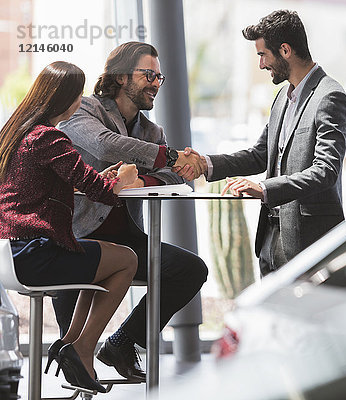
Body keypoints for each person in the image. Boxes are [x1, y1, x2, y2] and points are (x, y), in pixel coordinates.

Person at [54, 42, 209, 381]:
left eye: (159, 76)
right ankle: (76, 357)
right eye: (148, 74)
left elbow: (169, 177)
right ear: (121, 77)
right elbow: (105, 144)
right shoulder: (84, 110)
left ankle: (123, 342)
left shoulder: (152, 132)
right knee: (72, 355)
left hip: (126, 242)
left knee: (191, 269)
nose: (156, 82)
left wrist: (141, 178)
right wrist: (167, 157)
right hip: (79, 240)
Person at [0, 61, 139, 392]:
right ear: (66, 99)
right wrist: (125, 177)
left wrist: (100, 179)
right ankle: (83, 347)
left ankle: (70, 343)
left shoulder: (17, 133)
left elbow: (61, 180)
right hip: (34, 255)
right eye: (78, 95)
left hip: (9, 254)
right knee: (127, 259)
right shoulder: (50, 137)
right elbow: (101, 193)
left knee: (99, 262)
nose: (81, 102)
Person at [188, 9, 346, 276]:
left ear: (285, 50)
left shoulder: (330, 97)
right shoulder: (281, 99)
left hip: (309, 243)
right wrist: (205, 164)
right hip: (270, 240)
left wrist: (264, 188)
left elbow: (326, 171)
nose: (261, 64)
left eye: (263, 55)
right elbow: (259, 155)